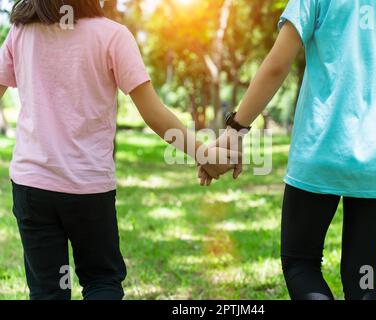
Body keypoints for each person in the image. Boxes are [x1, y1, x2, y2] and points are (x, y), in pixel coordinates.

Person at [200, 0, 376, 300]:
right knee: (363, 272)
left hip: (321, 151)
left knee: (301, 263)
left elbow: (277, 64)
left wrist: (236, 129)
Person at [0, 0, 236, 300]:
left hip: (32, 187)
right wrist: (205, 155)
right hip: (88, 189)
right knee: (101, 281)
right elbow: (153, 113)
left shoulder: (21, 33)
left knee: (48, 291)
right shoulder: (111, 35)